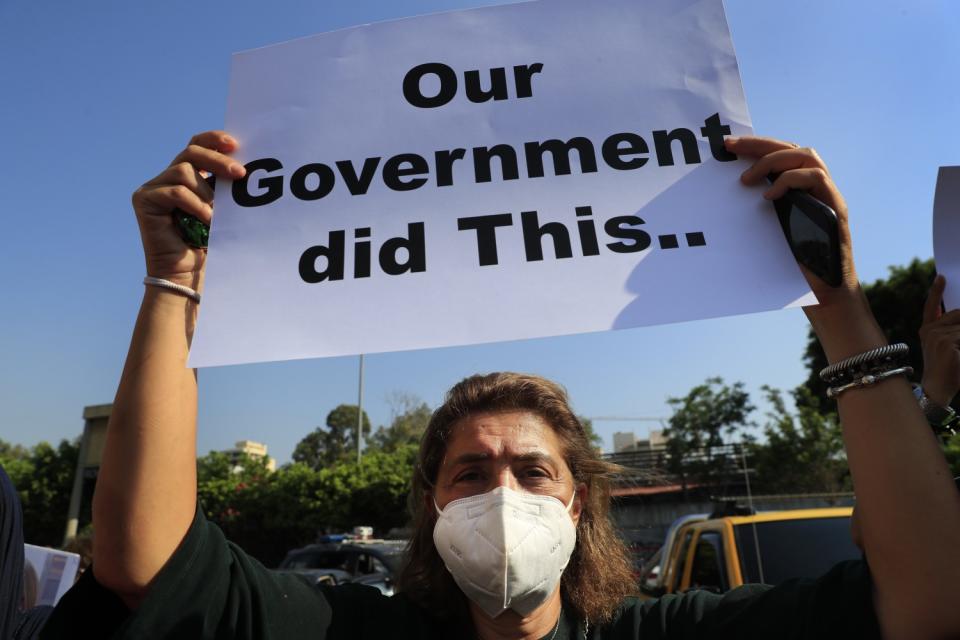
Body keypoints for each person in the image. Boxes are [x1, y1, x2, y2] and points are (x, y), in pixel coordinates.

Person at [40, 133, 960, 639]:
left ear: (583, 501)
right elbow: (144, 561)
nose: (502, 493)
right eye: (470, 475)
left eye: (532, 470)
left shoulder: (666, 635)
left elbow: (927, 600)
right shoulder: (354, 635)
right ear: (431, 506)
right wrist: (173, 287)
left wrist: (838, 304)